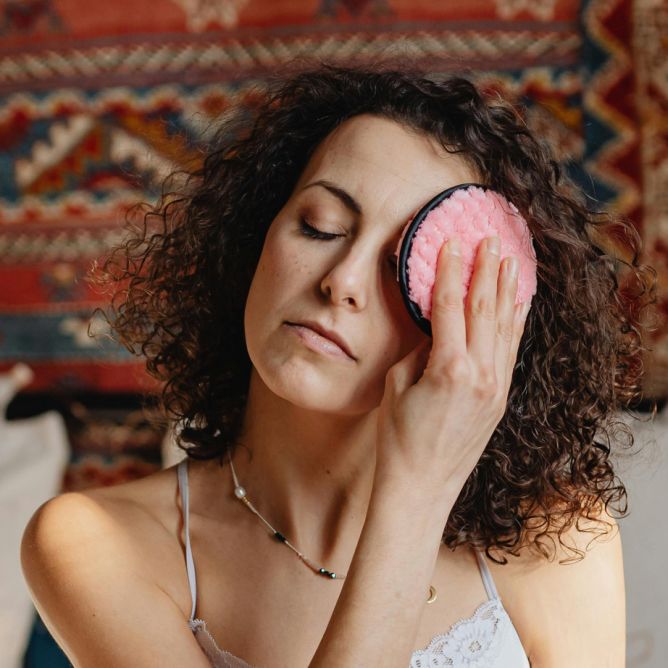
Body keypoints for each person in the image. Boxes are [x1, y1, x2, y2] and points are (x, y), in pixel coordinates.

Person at [20, 60, 652, 667]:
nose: (341, 281)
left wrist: (424, 482)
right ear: (256, 235)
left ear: (478, 317)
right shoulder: (96, 542)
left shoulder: (563, 543)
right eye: (320, 226)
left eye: (397, 268)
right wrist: (414, 497)